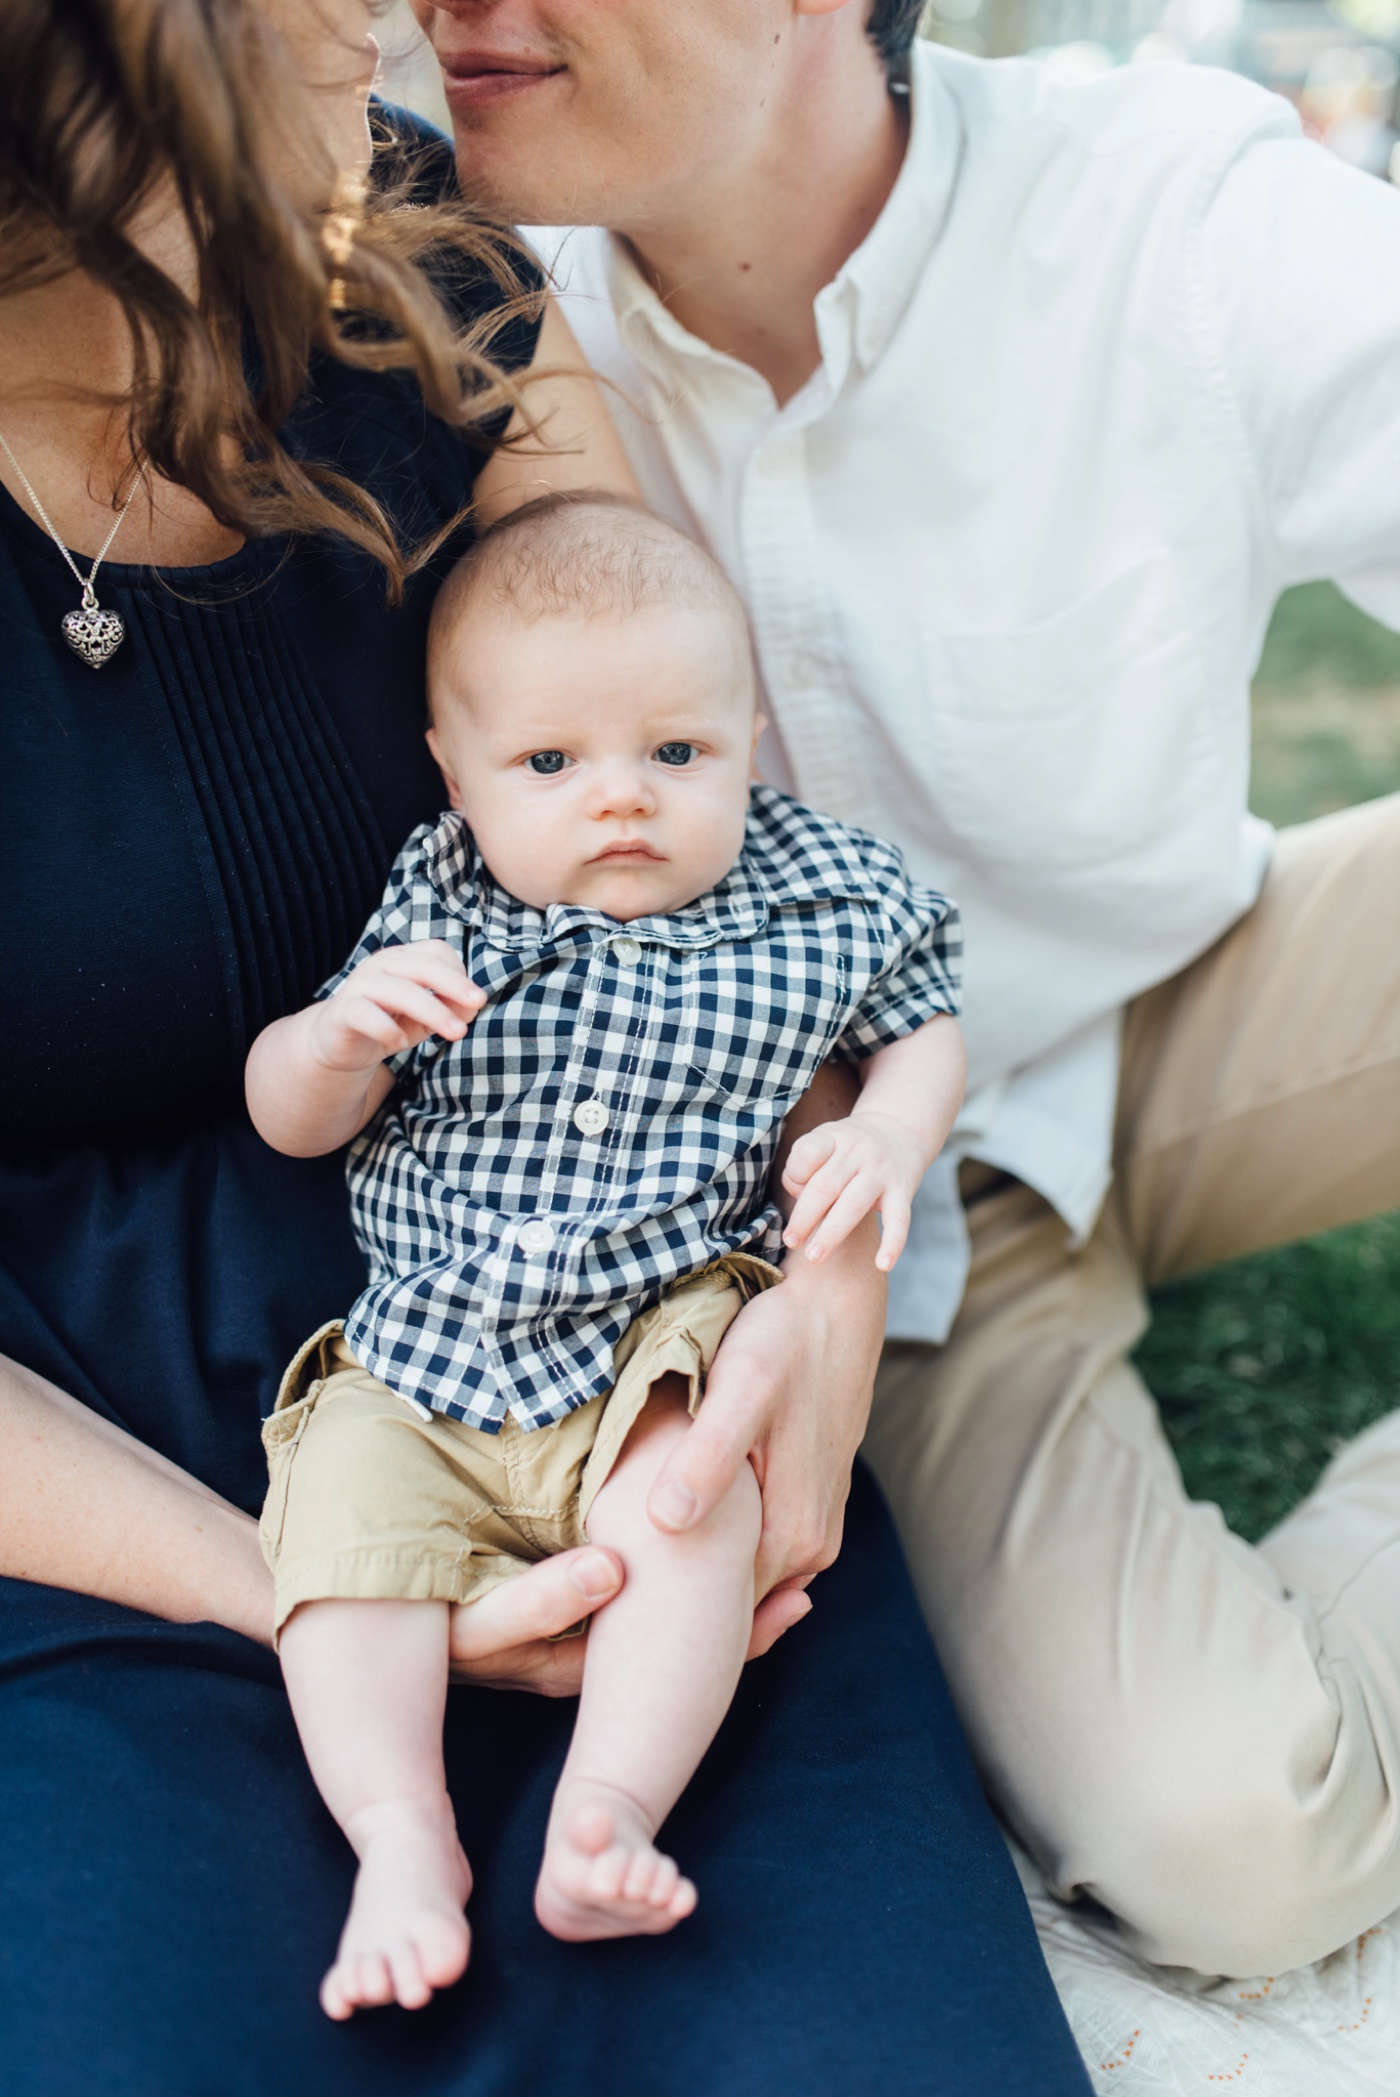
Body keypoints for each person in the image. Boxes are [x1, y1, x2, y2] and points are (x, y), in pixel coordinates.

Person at [0, 3, 1097, 2092]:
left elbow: (708, 876)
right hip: (65, 1486)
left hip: (604, 1319)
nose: (380, 19)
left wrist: (805, 1326)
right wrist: (313, 1582)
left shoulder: (413, 258)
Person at [409, 0, 1400, 1978]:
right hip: (878, 1211)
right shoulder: (462, 338)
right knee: (1231, 1847)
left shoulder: (1164, 212)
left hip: (1204, 993)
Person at [245, 493, 965, 2015]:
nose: (621, 800)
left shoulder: (817, 893)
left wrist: (890, 1134)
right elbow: (291, 1121)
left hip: (656, 1330)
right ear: (457, 774)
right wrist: (333, 1042)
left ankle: (609, 1805)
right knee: (339, 1552)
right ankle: (401, 1835)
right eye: (553, 764)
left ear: (749, 737)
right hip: (426, 1344)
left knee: (690, 1503)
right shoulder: (438, 896)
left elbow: (925, 1025)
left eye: (677, 753)